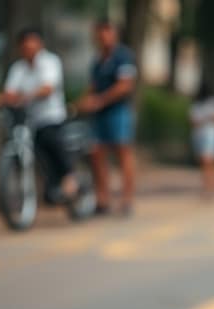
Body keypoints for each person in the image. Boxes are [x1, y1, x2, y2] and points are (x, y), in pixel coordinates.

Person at [0, 28, 77, 201]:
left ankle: (69, 177)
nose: (29, 48)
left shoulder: (50, 62)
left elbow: (48, 88)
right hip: (29, 120)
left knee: (51, 142)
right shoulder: (18, 68)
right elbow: (9, 93)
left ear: (39, 44)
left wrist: (24, 96)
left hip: (51, 117)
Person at [77, 20, 137, 216]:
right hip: (99, 114)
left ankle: (127, 199)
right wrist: (84, 101)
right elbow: (93, 86)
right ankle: (103, 198)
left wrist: (101, 100)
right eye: (100, 33)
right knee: (96, 153)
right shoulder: (98, 60)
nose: (104, 37)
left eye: (107, 32)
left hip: (118, 111)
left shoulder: (123, 56)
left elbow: (125, 85)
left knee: (122, 152)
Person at [189, 82, 214, 198]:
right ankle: (208, 186)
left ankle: (212, 187)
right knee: (206, 163)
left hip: (213, 135)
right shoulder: (196, 105)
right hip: (199, 136)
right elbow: (193, 122)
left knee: (209, 161)